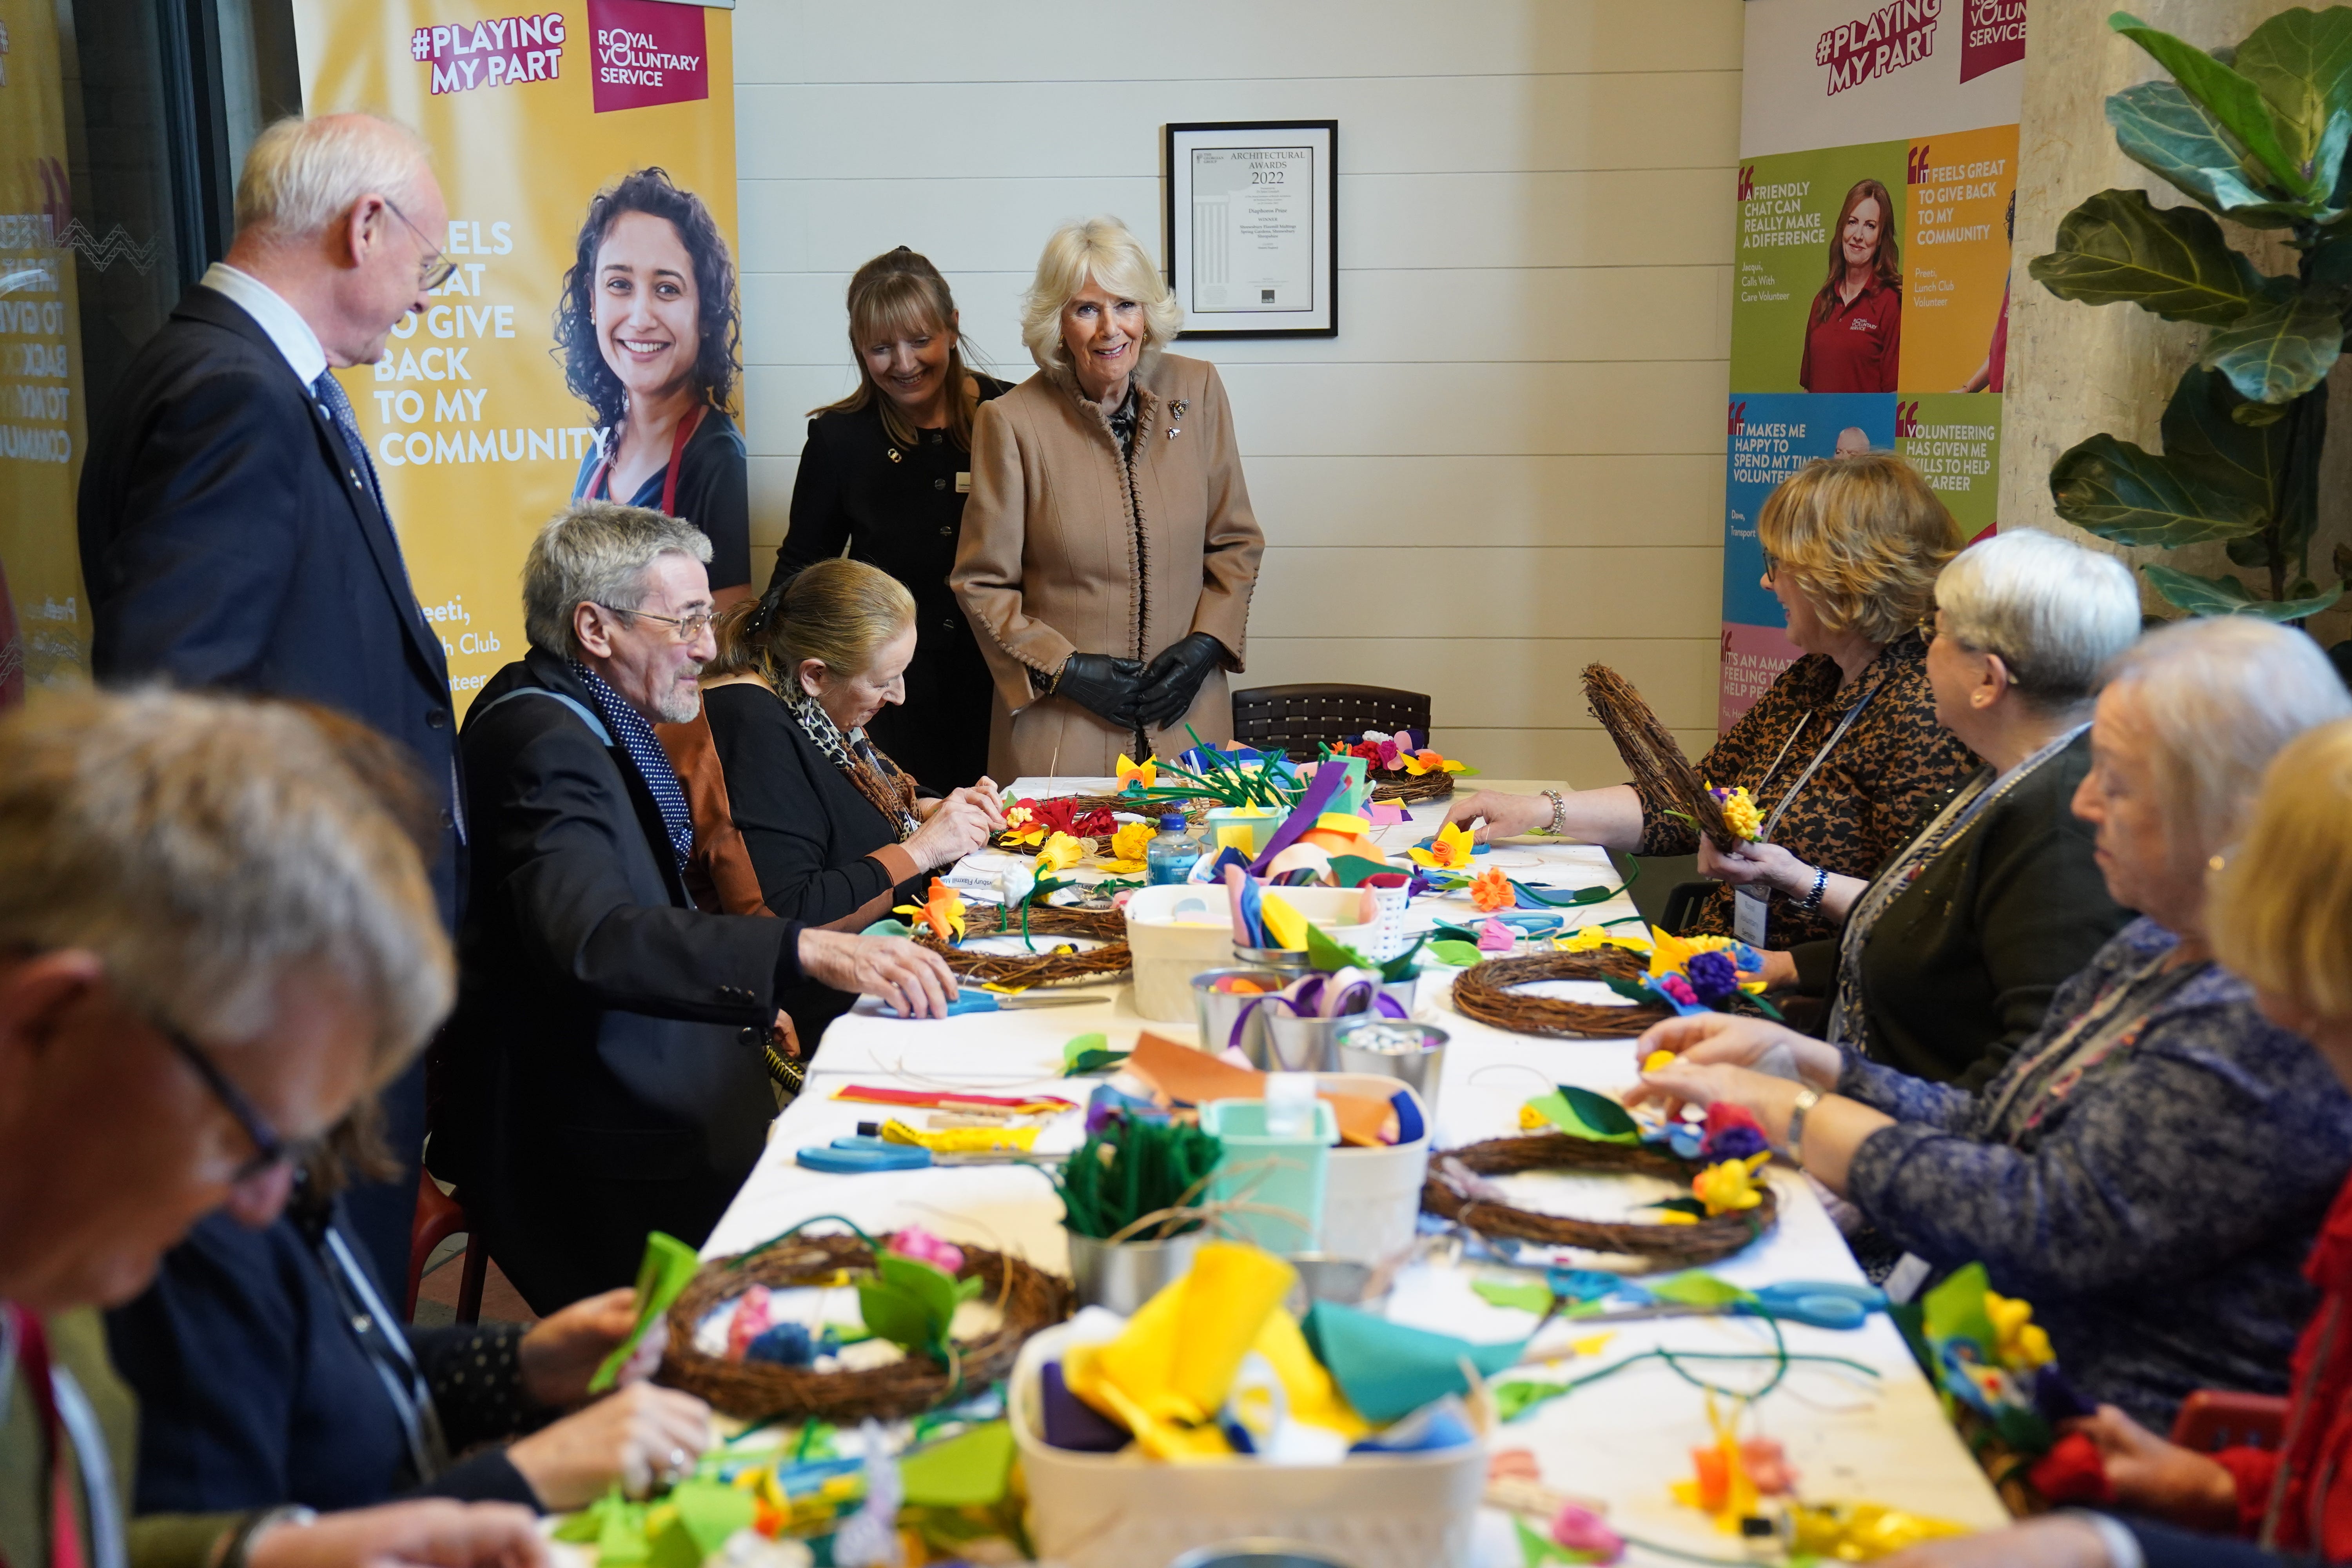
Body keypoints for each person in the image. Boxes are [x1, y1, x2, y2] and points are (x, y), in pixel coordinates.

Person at [1632, 617, 2352, 1431]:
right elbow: (2001, 1119)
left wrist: (1788, 1111)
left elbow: (2043, 1218)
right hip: (1991, 1370)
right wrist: (1803, 1059)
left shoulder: (2260, 1017)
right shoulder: (2157, 943)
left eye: (2114, 781)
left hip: (2100, 1432)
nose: (2082, 801)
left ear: (2223, 808)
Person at [107, 713, 713, 1526]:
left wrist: (520, 1362)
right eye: (255, 1126)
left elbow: (326, 1368)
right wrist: (514, 1479)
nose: (270, 1193)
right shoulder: (113, 1268)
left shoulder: (205, 1161)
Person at [0, 687, 546, 1568]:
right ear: (47, 1022)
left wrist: (259, 1550)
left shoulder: (53, 1290)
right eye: (247, 1139)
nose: (261, 1205)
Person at [76, 111, 461, 1296]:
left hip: (327, 965)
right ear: (365, 227)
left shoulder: (241, 374)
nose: (424, 298)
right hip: (298, 976)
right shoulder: (229, 393)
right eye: (428, 266)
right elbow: (173, 714)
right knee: (329, 1333)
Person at [437, 500, 959, 1314]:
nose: (709, 648)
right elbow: (594, 938)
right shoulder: (544, 743)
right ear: (595, 629)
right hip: (594, 1132)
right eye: (684, 623)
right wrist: (798, 952)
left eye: (706, 620)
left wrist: (739, 1007)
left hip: (642, 1072)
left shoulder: (576, 708)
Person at [1881, 717, 2352, 1568]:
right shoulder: (2174, 956)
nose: (2229, 878)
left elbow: (2062, 1218)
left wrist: (2109, 1545)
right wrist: (2216, 1486)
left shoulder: (2252, 1032)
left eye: (2260, 856)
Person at [1447, 453, 1978, 947]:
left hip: (1797, 1002)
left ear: (1839, 575)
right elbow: (1688, 805)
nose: (1767, 582)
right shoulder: (1813, 678)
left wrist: (1792, 900)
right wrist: (1537, 810)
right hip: (1728, 963)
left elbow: (1921, 919)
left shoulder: (1924, 712)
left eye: (1779, 562)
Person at [1715, 530, 2138, 1088]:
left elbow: (2028, 1083)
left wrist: (1815, 1107)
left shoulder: (2062, 827)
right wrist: (1788, 968)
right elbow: (1933, 934)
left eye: (1934, 633)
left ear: (1988, 680)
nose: (1921, 654)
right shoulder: (2004, 775)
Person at [951, 216, 1266, 780]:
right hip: (1063, 729)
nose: (1109, 329)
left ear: (1147, 313)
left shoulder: (1197, 392)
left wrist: (1204, 647)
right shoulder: (1011, 422)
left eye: (1126, 304)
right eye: (1086, 309)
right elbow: (981, 582)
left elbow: (1236, 543)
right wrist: (1066, 669)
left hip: (1189, 720)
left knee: (1199, 865)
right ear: (1058, 323)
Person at [699, 560, 1006, 1043]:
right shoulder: (750, 724)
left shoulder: (801, 699)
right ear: (815, 674)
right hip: (823, 1005)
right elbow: (789, 917)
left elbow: (865, 793)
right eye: (884, 681)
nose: (899, 696)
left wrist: (930, 808)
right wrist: (923, 849)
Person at [770, 249, 1013, 789]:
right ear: (860, 349)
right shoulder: (840, 439)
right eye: (881, 348)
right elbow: (803, 564)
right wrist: (762, 666)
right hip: (891, 693)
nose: (903, 364)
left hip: (1005, 685)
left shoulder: (1015, 415)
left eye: (919, 340)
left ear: (952, 329)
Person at [559, 169, 751, 605]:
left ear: (705, 313)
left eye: (667, 289)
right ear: (592, 300)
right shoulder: (602, 452)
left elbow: (724, 645)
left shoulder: (722, 466)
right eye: (620, 285)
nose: (641, 316)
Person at [1799, 176, 1901, 393]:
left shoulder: (1891, 303)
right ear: (1842, 228)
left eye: (1870, 226)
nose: (1858, 236)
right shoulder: (1822, 302)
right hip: (1821, 427)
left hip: (1865, 428)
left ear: (1881, 238)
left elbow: (1893, 398)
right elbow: (1808, 392)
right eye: (1852, 222)